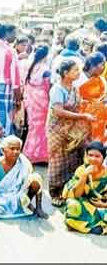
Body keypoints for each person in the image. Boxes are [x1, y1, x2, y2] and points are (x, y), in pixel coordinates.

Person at [47, 59, 94, 207]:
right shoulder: (57, 89)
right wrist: (82, 117)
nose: (79, 73)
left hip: (72, 131)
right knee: (58, 161)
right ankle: (55, 193)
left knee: (73, 159)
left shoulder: (74, 88)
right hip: (57, 130)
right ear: (65, 73)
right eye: (75, 70)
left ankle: (69, 190)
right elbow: (58, 111)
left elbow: (78, 106)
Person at [0, 135, 48, 219]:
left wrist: (39, 207)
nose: (16, 152)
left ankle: (32, 206)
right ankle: (22, 207)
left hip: (18, 195)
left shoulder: (23, 162)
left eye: (18, 149)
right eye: (12, 149)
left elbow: (30, 179)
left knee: (36, 177)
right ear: (3, 150)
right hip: (0, 196)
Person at [62, 141, 107, 235]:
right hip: (86, 204)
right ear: (86, 156)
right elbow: (77, 195)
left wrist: (103, 205)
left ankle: (86, 225)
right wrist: (84, 175)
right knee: (72, 205)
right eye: (90, 155)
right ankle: (96, 226)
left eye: (97, 156)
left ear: (103, 158)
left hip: (103, 206)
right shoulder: (81, 170)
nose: (93, 159)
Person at [23, 45, 51, 165]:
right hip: (42, 100)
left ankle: (29, 152)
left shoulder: (31, 66)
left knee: (33, 127)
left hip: (31, 99)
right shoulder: (45, 69)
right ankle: (41, 155)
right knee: (42, 128)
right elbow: (47, 86)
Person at [78, 52, 107, 143]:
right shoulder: (78, 78)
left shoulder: (101, 80)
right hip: (82, 118)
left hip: (99, 120)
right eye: (101, 65)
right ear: (92, 65)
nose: (103, 68)